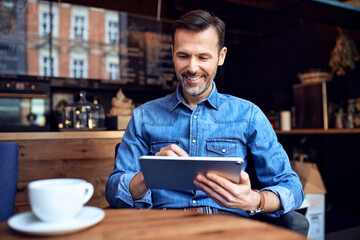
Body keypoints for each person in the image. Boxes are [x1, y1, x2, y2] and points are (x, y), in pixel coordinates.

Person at [106, 9, 308, 235]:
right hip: (162, 230)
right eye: (183, 56)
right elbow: (113, 191)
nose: (192, 68)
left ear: (221, 56)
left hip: (228, 230)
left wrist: (255, 199)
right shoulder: (144, 116)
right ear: (172, 53)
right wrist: (146, 176)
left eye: (203, 57)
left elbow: (292, 188)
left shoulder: (249, 115)